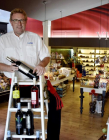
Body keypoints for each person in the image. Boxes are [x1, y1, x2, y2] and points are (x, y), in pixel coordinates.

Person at [0, 8, 62, 140]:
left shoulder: (34, 37)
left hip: (36, 83)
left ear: (26, 21)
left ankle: (52, 138)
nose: (19, 23)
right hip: (16, 86)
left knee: (56, 104)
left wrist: (41, 64)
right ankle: (27, 136)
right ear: (11, 22)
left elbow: (46, 57)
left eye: (22, 20)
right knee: (22, 114)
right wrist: (6, 67)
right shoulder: (3, 40)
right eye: (16, 20)